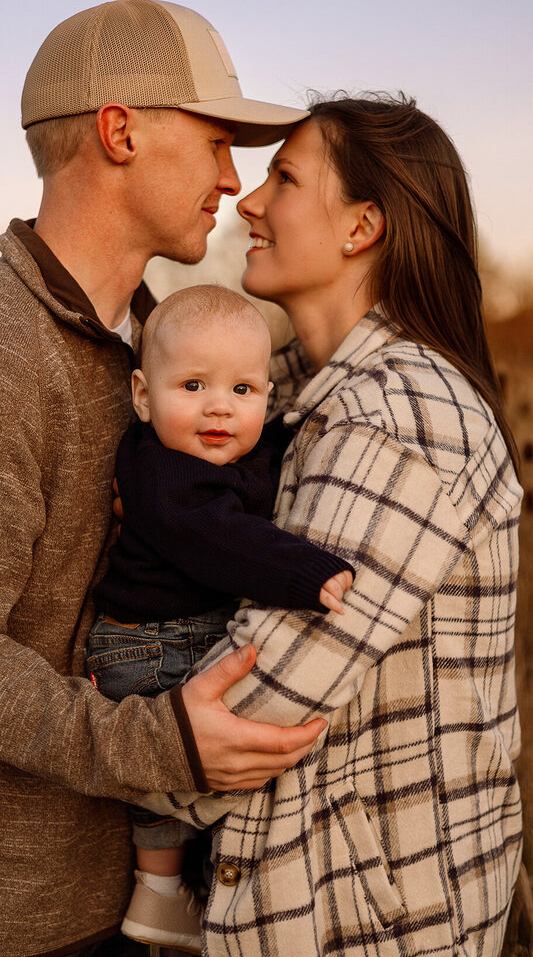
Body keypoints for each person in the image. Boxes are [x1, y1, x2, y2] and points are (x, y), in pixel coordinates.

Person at [0, 0, 328, 957]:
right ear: (120, 132)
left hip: (92, 897)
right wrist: (159, 743)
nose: (234, 179)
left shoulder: (146, 347)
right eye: (217, 140)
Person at [142, 94, 524, 957]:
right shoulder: (280, 397)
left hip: (371, 922)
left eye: (284, 178)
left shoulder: (401, 414)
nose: (248, 202)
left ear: (362, 228)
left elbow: (262, 698)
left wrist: (91, 745)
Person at [86, 284, 355, 952]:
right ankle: (158, 891)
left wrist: (286, 436)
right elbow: (225, 540)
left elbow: (254, 472)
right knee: (171, 764)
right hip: (148, 645)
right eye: (195, 385)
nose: (218, 406)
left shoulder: (217, 449)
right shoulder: (164, 478)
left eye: (242, 391)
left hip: (165, 635)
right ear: (144, 397)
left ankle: (176, 886)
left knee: (198, 761)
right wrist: (304, 571)